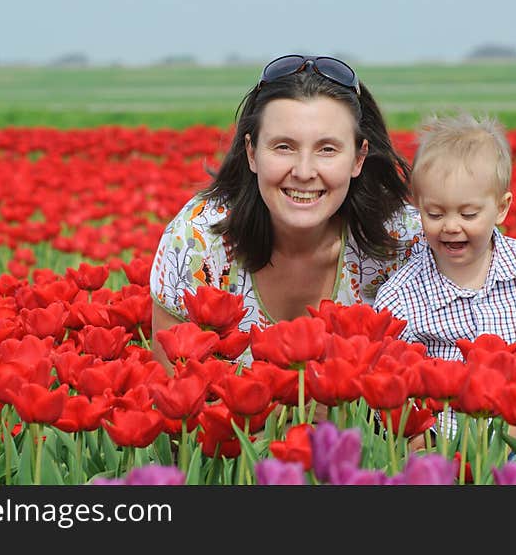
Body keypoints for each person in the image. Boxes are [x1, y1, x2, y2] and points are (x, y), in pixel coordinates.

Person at [149, 54, 425, 372]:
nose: (304, 171)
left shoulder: (406, 241)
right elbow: (174, 387)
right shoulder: (198, 240)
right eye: (284, 147)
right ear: (251, 153)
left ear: (358, 159)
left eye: (327, 149)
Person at [373, 111, 516, 442]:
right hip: (443, 441)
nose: (451, 225)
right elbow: (388, 373)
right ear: (417, 207)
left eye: (468, 213)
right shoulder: (402, 294)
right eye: (434, 213)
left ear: (501, 208)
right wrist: (415, 434)